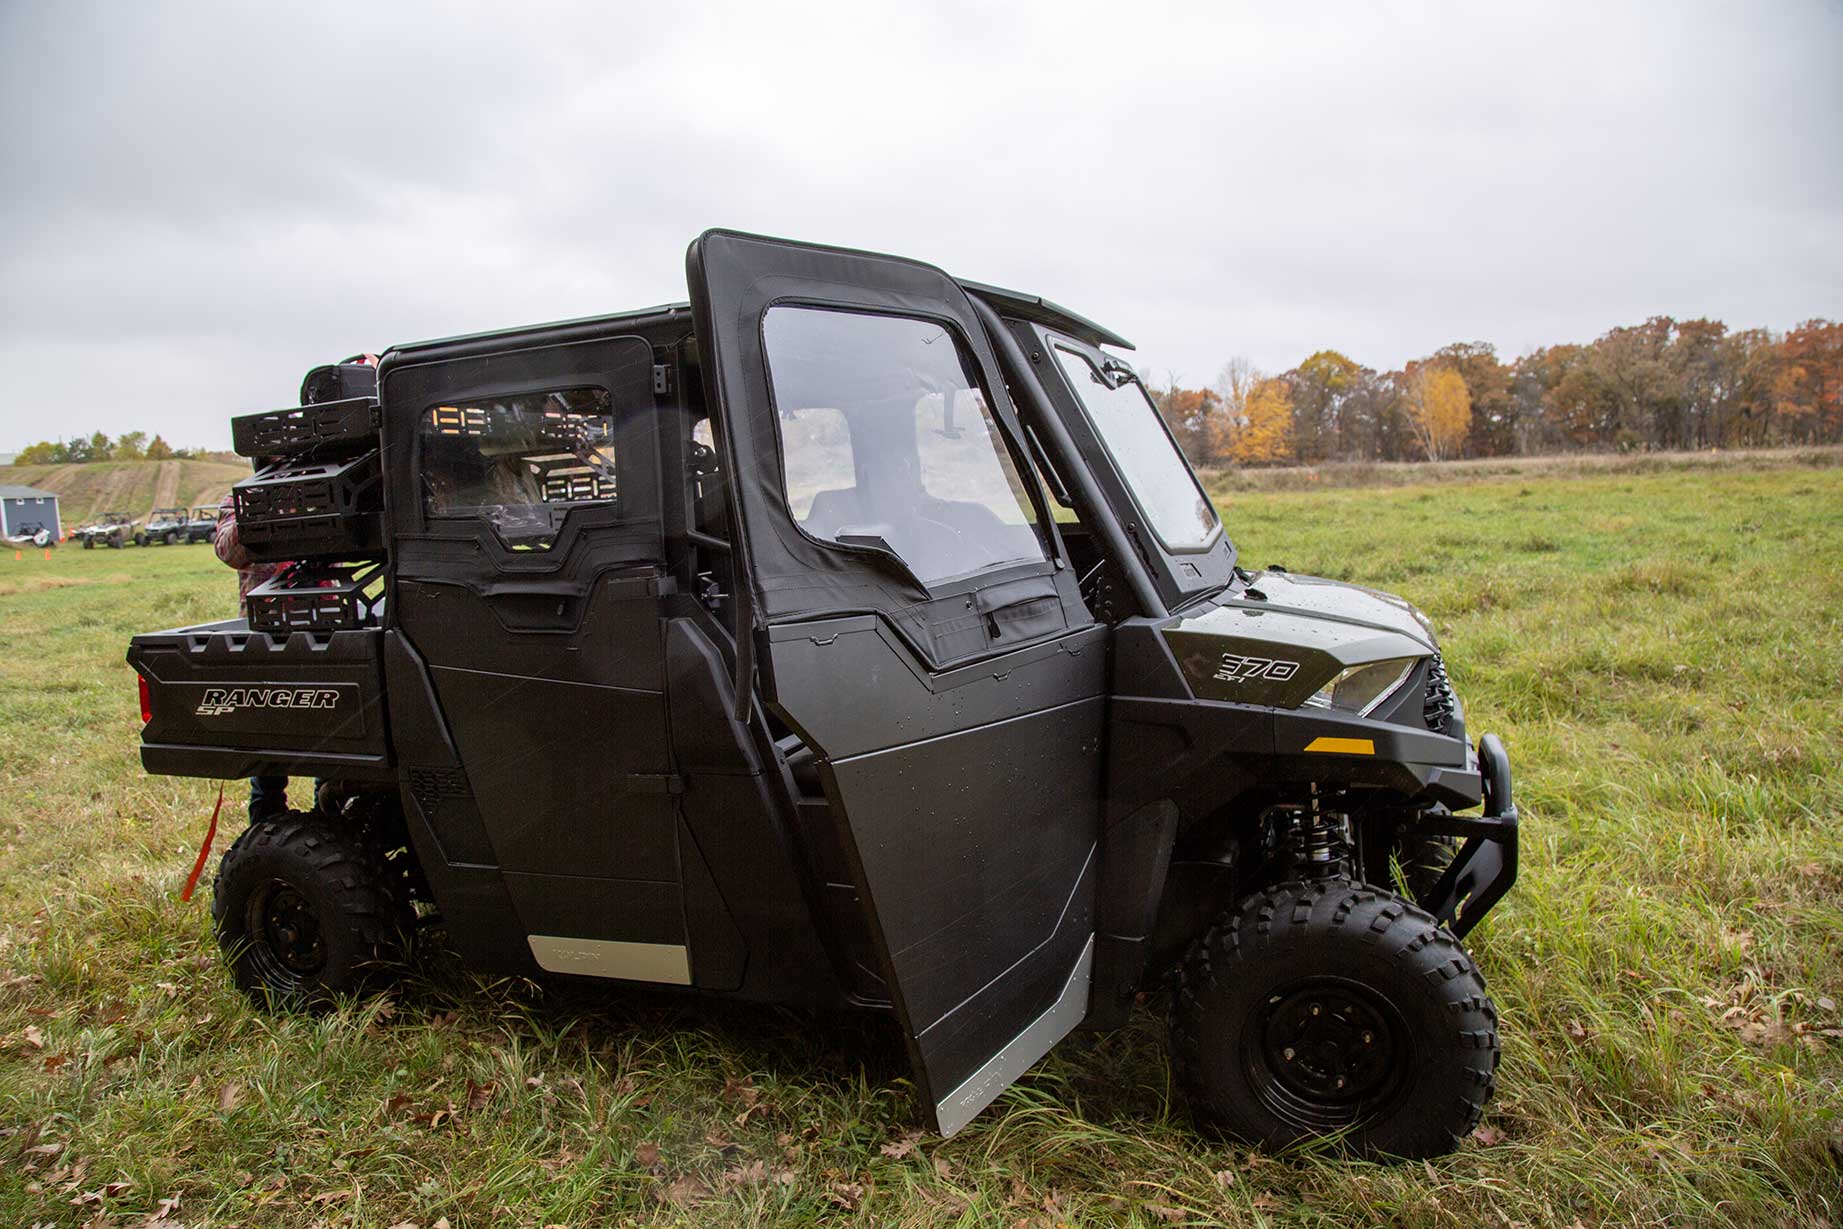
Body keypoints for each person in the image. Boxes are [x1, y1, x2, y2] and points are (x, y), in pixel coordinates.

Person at [212, 485, 290, 821]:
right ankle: (266, 828)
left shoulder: (330, 489)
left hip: (327, 625)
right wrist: (264, 509)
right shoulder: (241, 499)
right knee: (269, 742)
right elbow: (228, 550)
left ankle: (328, 813)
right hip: (265, 633)